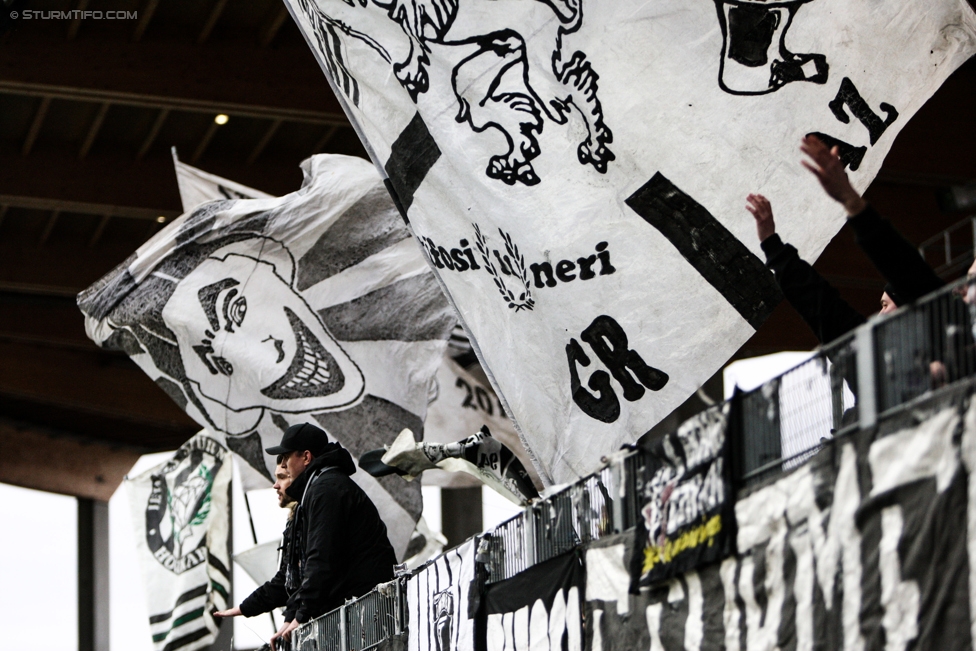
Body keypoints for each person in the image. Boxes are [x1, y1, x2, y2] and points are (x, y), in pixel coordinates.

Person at [746, 135, 944, 344]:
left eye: (886, 305)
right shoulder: (868, 354)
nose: (880, 315)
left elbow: (901, 266)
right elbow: (822, 309)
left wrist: (850, 199)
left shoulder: (947, 327)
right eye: (882, 306)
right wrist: (771, 244)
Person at [268, 422, 397, 650]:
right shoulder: (320, 486)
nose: (284, 464)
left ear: (306, 457)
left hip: (366, 618)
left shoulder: (326, 489)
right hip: (359, 616)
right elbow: (304, 572)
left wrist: (301, 616)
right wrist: (291, 616)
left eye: (286, 456)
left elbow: (320, 559)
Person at [212, 460, 299, 626]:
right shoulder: (295, 521)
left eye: (281, 478)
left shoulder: (306, 517)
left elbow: (310, 575)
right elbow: (289, 581)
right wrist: (245, 608)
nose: (275, 485)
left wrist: (295, 618)